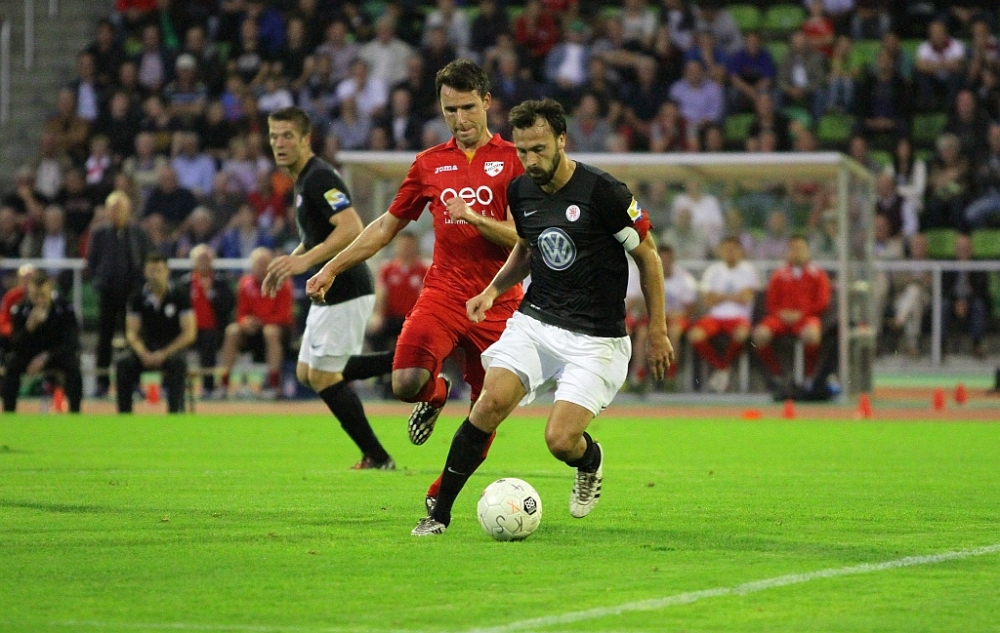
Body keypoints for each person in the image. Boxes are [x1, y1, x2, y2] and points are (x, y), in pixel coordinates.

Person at [403, 98, 672, 536]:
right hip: (537, 321)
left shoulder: (604, 192)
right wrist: (492, 291)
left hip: (597, 338)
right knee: (489, 404)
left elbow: (649, 257)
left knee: (560, 440)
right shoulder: (521, 191)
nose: (530, 160)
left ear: (562, 140)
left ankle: (590, 459)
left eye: (539, 149)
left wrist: (658, 330)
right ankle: (439, 514)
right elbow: (527, 250)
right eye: (524, 151)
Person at [305, 60, 525, 500]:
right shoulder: (428, 163)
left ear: (486, 102)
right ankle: (436, 393)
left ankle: (440, 493)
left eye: (467, 107)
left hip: (498, 298)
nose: (459, 119)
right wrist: (332, 267)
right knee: (405, 382)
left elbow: (524, 237)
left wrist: (475, 218)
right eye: (450, 110)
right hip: (444, 292)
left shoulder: (514, 160)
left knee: (487, 410)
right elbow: (386, 226)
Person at [262, 105, 395, 470]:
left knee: (322, 375)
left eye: (287, 136)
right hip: (328, 289)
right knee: (308, 372)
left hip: (346, 285)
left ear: (306, 139)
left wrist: (304, 261)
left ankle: (378, 457)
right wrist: (291, 261)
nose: (279, 143)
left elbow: (351, 227)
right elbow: (316, 237)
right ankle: (411, 361)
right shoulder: (303, 180)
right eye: (274, 136)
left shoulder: (319, 177)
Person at [85, 190, 154, 397]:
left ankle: (134, 382)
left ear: (128, 210)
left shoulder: (138, 233)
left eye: (120, 208)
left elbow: (147, 258)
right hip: (108, 293)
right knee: (104, 339)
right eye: (113, 209)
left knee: (134, 338)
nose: (117, 213)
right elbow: (92, 261)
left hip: (133, 293)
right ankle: (102, 383)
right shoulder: (99, 233)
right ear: (107, 211)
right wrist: (100, 280)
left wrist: (140, 284)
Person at [751, 236, 831, 399]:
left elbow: (822, 302)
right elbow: (771, 302)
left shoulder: (818, 274)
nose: (796, 252)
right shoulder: (779, 274)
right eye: (792, 249)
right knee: (759, 334)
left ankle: (809, 376)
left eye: (799, 248)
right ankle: (778, 375)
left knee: (812, 335)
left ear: (807, 251)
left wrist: (802, 313)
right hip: (781, 319)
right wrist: (781, 313)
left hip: (806, 318)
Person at [117, 253, 197, 414]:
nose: (155, 275)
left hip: (171, 350)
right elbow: (131, 333)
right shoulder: (137, 297)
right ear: (145, 272)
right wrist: (143, 353)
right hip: (145, 350)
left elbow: (189, 333)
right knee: (123, 363)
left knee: (178, 364)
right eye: (151, 271)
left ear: (167, 271)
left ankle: (175, 414)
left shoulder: (180, 295)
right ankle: (124, 415)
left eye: (159, 270)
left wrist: (164, 354)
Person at [216, 247, 293, 399]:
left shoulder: (283, 283)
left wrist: (260, 321)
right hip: (252, 331)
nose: (261, 268)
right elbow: (241, 312)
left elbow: (284, 315)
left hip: (277, 332)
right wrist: (245, 322)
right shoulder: (245, 283)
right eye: (258, 264)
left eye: (265, 264)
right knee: (232, 331)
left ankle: (273, 385)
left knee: (270, 331)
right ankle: (223, 384)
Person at [2, 272, 83, 413]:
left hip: (55, 355)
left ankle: (75, 412)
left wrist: (46, 356)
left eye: (43, 296)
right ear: (29, 292)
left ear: (50, 290)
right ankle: (9, 412)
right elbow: (13, 344)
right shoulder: (20, 309)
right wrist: (29, 328)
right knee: (11, 364)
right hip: (28, 355)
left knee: (73, 366)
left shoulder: (64, 308)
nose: (39, 300)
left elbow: (72, 342)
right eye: (35, 296)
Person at [689, 236, 760, 393]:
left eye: (733, 249)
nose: (729, 252)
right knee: (695, 335)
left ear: (740, 251)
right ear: (721, 251)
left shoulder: (749, 270)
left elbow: (746, 298)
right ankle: (722, 368)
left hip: (739, 317)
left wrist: (720, 296)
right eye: (726, 249)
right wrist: (734, 296)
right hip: (715, 317)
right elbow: (708, 301)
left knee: (742, 334)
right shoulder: (713, 271)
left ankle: (721, 369)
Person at [181, 245, 234, 397]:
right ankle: (173, 386)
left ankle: (208, 386)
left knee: (208, 341)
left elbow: (228, 307)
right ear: (193, 262)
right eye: (200, 259)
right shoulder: (184, 284)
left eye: (206, 259)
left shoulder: (221, 283)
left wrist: (211, 293)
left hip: (214, 330)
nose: (203, 262)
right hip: (188, 329)